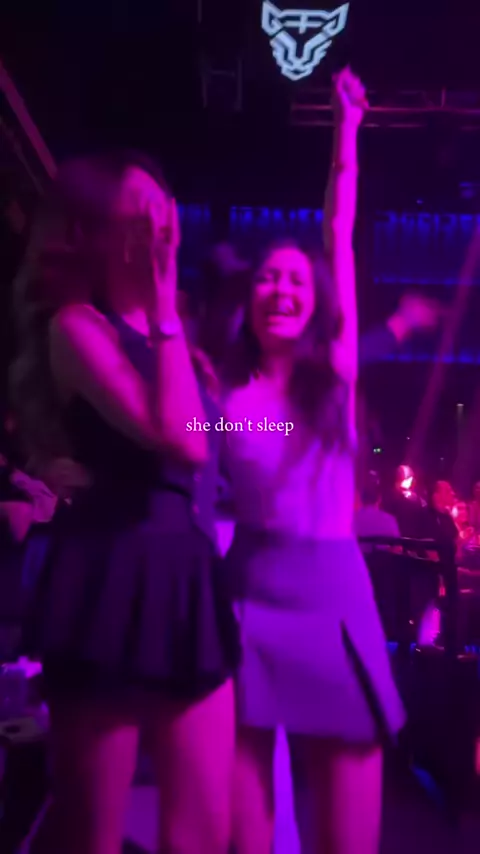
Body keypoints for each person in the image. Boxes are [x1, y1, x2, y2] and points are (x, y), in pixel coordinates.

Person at [10, 152, 240, 854]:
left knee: (205, 831)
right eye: (139, 210)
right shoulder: (78, 325)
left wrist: (286, 430)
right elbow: (183, 439)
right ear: (95, 231)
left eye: (163, 206)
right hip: (106, 572)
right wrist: (167, 307)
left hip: (184, 574)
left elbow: (220, 439)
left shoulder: (176, 347)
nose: (160, 222)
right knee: (93, 838)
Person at [222, 69, 405, 854]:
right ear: (250, 297)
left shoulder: (336, 372)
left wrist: (346, 133)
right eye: (269, 277)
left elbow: (338, 229)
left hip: (331, 596)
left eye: (296, 279)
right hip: (246, 598)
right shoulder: (222, 400)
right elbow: (183, 438)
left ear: (316, 298)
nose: (283, 288)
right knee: (245, 838)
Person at [355, 471, 400, 540]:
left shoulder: (351, 520)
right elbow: (397, 544)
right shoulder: (389, 520)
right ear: (379, 499)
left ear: (361, 498)